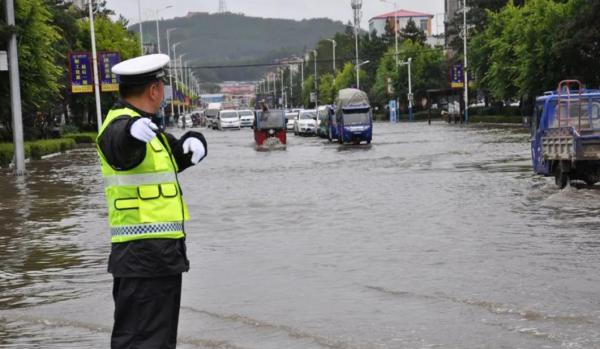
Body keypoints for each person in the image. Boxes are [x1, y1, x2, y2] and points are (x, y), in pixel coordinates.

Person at [95, 54, 207, 349]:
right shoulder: (122, 126)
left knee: (157, 339)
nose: (164, 94)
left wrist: (195, 141)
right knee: (142, 341)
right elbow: (119, 147)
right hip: (142, 256)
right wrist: (130, 135)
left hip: (159, 256)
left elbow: (175, 155)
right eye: (162, 87)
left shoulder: (148, 129)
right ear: (154, 90)